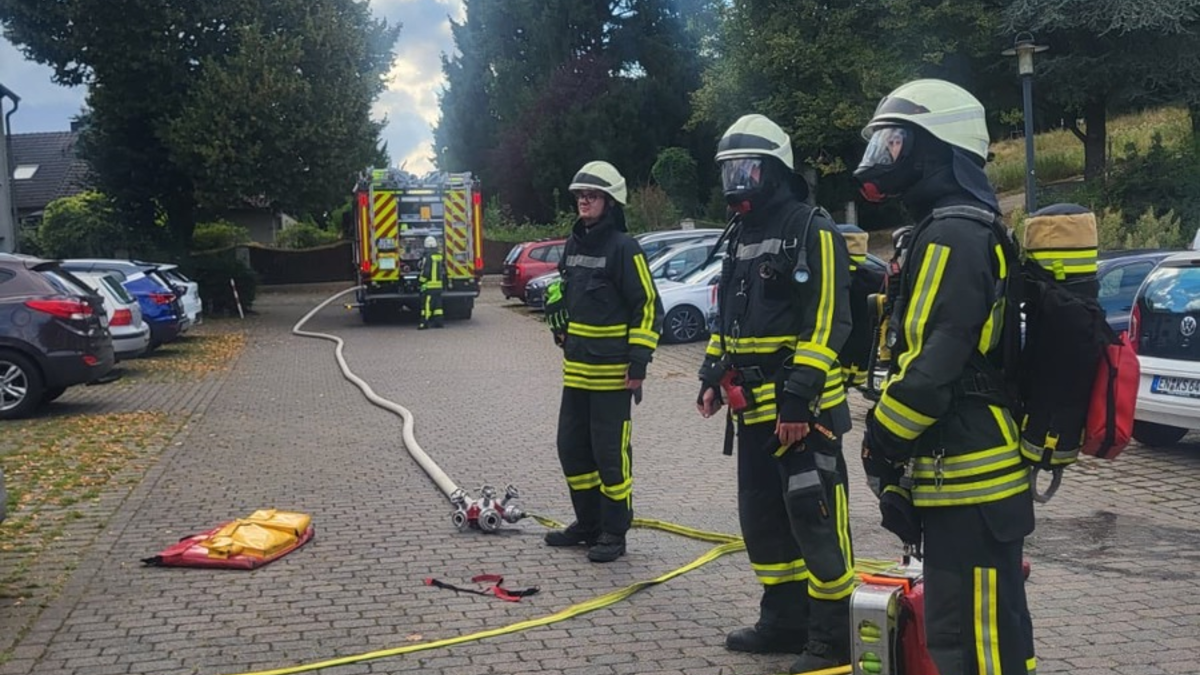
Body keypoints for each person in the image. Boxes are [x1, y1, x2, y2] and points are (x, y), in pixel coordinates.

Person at [854, 79, 1036, 675]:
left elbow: (933, 365)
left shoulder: (954, 233)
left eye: (897, 143)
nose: (886, 157)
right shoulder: (953, 226)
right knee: (982, 637)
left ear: (938, 147)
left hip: (972, 485)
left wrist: (881, 441)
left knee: (974, 644)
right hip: (963, 482)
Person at [696, 114, 856, 674]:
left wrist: (797, 399)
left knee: (813, 520)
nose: (736, 182)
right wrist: (713, 373)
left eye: (746, 169)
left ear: (774, 170)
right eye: (728, 171)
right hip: (754, 414)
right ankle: (783, 620)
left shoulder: (812, 228)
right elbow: (728, 315)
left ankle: (833, 636)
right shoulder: (740, 235)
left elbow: (831, 321)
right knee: (762, 520)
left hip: (802, 415)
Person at [542, 161, 663, 563]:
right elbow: (565, 287)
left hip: (613, 376)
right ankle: (588, 524)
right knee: (572, 450)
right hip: (575, 372)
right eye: (580, 196)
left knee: (610, 456)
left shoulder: (625, 248)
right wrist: (558, 314)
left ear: (610, 202)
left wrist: (639, 362)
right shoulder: (574, 245)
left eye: (591, 196)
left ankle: (614, 530)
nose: (583, 201)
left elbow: (648, 307)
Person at [418, 236, 445, 329]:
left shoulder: (428, 257)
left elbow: (426, 271)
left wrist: (420, 281)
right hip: (438, 286)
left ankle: (424, 323)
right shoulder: (439, 256)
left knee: (426, 305)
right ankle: (439, 322)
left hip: (429, 286)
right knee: (438, 306)